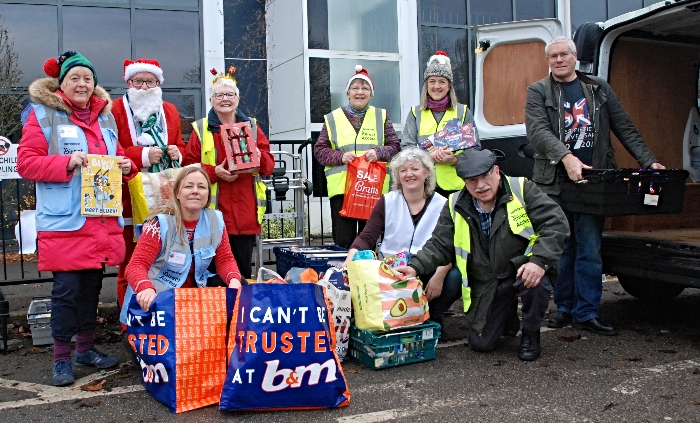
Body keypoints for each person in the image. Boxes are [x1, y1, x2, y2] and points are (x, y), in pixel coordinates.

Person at [525, 36, 665, 335]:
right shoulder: (538, 90)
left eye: (564, 54)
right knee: (562, 247)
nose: (559, 60)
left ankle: (587, 311)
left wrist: (648, 161)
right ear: (548, 61)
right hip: (554, 182)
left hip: (594, 181)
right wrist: (566, 158)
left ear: (575, 57)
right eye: (553, 56)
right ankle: (563, 308)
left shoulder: (598, 88)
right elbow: (537, 131)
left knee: (589, 248)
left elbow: (624, 126)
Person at [17, 51, 138, 386]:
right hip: (66, 222)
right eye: (75, 78)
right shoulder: (43, 115)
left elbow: (118, 155)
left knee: (91, 288)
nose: (82, 83)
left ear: (94, 84)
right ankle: (61, 359)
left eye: (87, 78)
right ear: (63, 84)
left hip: (100, 219)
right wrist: (65, 164)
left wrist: (128, 165)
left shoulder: (106, 118)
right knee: (67, 291)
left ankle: (85, 349)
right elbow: (26, 163)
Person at [395, 149, 569, 361]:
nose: (480, 185)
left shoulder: (522, 188)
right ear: (464, 182)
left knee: (535, 282)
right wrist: (414, 267)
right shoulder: (455, 203)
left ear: (496, 171)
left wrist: (539, 261)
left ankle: (531, 335)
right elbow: (440, 244)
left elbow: (555, 224)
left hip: (523, 269)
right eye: (472, 180)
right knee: (481, 344)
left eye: (485, 176)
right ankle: (507, 316)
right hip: (488, 281)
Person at [340, 148, 462, 321]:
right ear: (397, 176)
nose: (409, 174)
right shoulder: (387, 201)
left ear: (427, 172)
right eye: (403, 170)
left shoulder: (443, 204)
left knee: (455, 277)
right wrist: (347, 262)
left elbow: (450, 246)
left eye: (414, 169)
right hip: (391, 269)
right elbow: (366, 237)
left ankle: (432, 315)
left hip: (427, 268)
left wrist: (439, 276)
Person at [183, 67, 274, 280]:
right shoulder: (200, 128)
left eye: (230, 94)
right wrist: (214, 172)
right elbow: (187, 168)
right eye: (219, 95)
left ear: (238, 98)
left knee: (241, 274)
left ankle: (237, 313)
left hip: (245, 216)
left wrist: (258, 157)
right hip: (210, 216)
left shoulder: (252, 126)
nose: (225, 99)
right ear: (212, 100)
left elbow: (269, 166)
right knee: (209, 276)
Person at [112, 58, 186, 313]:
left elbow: (181, 146)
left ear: (158, 83)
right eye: (138, 81)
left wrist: (179, 153)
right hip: (129, 198)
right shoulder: (115, 110)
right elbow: (112, 149)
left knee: (169, 258)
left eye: (150, 81)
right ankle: (128, 320)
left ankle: (166, 315)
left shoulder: (171, 111)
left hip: (166, 196)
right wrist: (142, 156)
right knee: (131, 260)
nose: (144, 86)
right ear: (128, 83)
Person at [122, 167, 242, 316]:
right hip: (157, 298)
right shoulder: (159, 223)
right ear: (177, 193)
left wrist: (234, 281)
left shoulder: (215, 220)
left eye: (202, 187)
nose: (195, 191)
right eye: (188, 186)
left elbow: (225, 260)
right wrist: (145, 288)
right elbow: (135, 266)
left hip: (193, 299)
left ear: (208, 195)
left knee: (238, 282)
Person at [313, 65, 400, 248]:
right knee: (344, 242)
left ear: (371, 93)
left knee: (368, 242)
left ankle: (367, 276)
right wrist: (340, 157)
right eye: (355, 88)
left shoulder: (381, 116)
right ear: (348, 93)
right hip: (342, 191)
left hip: (372, 190)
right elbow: (320, 150)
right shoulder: (332, 118)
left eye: (365, 88)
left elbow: (395, 146)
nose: (360, 92)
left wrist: (379, 153)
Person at [401, 51, 475, 199]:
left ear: (449, 86)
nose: (437, 86)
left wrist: (454, 160)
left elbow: (475, 150)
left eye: (442, 81)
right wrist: (428, 157)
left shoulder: (463, 112)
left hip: (456, 186)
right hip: (424, 186)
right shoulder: (416, 113)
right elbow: (406, 148)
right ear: (426, 85)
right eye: (432, 81)